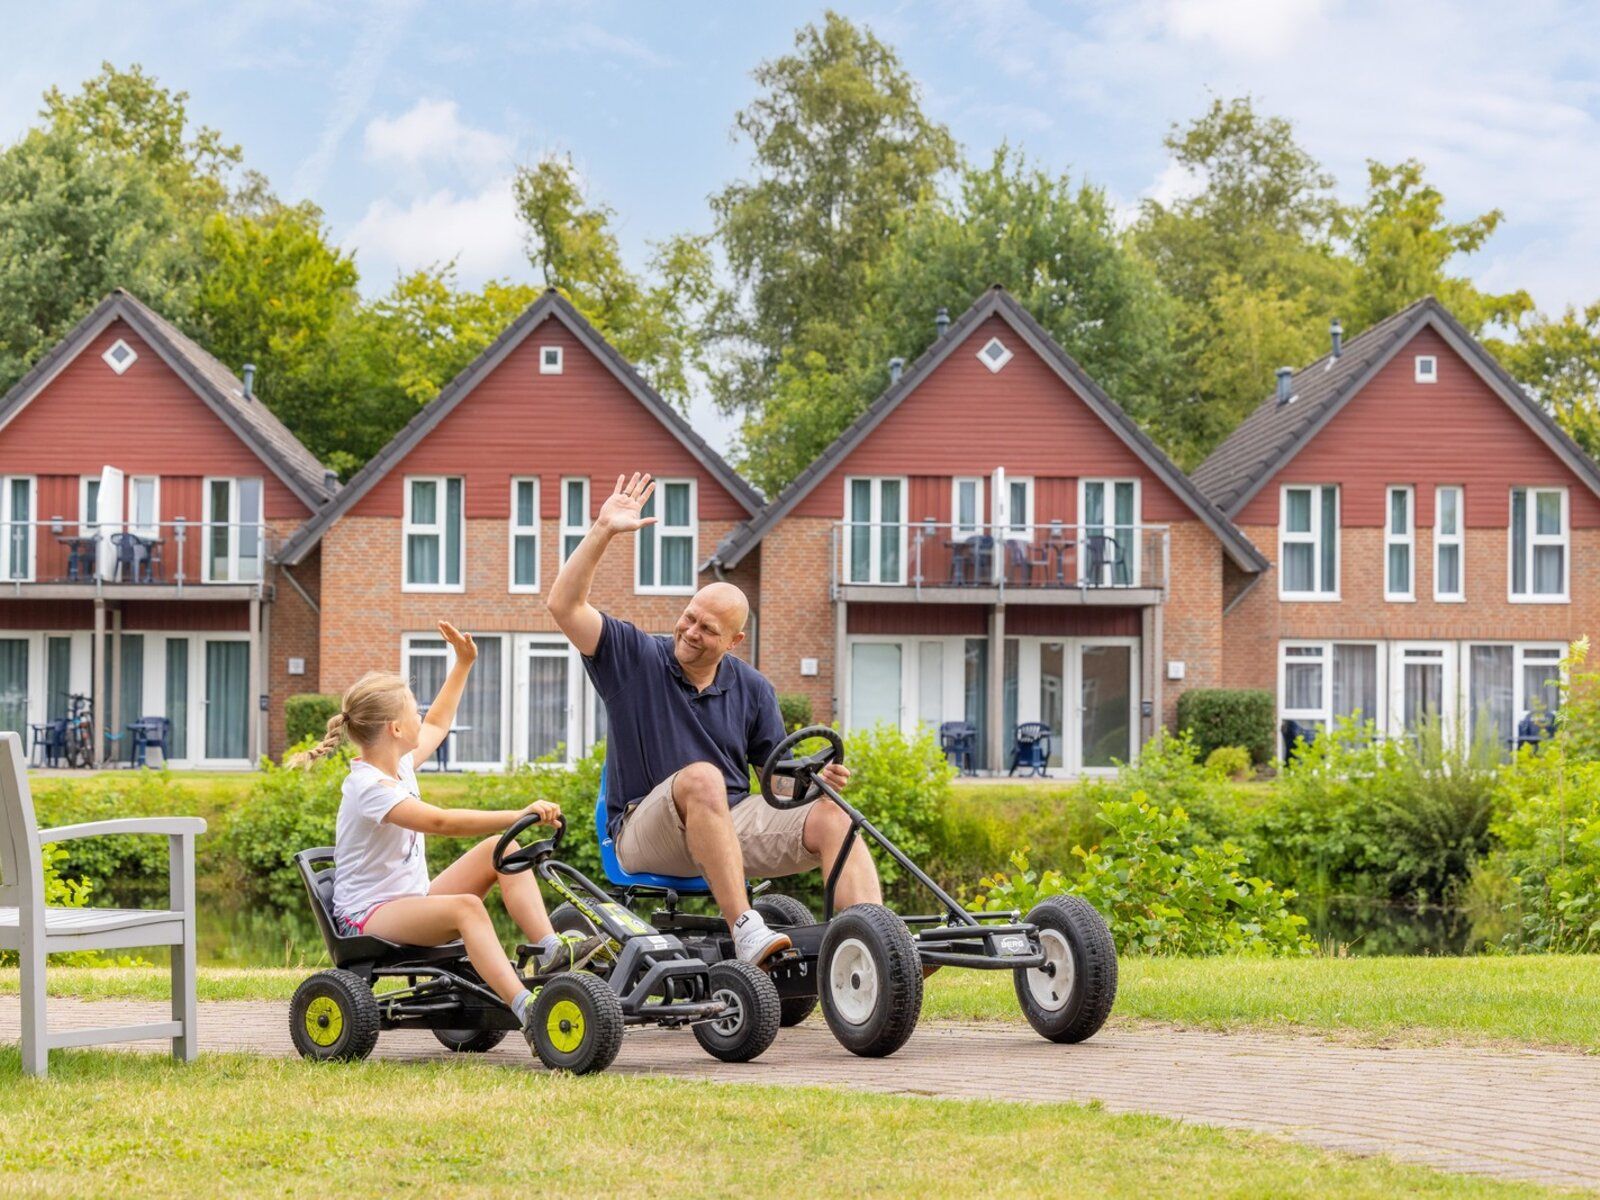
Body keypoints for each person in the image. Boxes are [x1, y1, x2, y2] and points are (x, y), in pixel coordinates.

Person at [548, 473, 882, 965]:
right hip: (643, 828)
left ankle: (873, 946)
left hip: (727, 824)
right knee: (702, 776)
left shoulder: (752, 688)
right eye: (688, 616)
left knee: (834, 815)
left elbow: (777, 784)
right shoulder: (633, 657)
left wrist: (812, 783)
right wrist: (603, 529)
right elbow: (563, 605)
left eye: (708, 628)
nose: (690, 631)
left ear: (733, 642)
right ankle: (745, 927)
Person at [292, 621, 603, 1040]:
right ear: (395, 729)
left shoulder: (397, 764)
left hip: (408, 901)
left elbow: (438, 721)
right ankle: (525, 1009)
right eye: (412, 710)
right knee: (466, 908)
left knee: (500, 850)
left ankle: (549, 948)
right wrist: (517, 813)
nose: (421, 715)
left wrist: (464, 662)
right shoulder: (369, 787)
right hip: (369, 917)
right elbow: (438, 821)